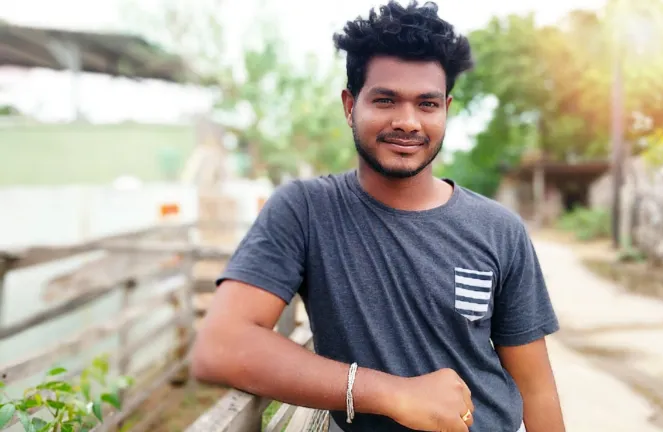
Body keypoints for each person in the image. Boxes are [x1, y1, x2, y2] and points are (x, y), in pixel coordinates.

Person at [190, 1, 565, 431]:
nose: (408, 122)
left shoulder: (499, 229)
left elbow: (536, 388)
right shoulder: (306, 211)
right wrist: (391, 393)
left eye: (427, 104)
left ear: (445, 109)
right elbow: (219, 347)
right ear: (351, 106)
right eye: (386, 100)